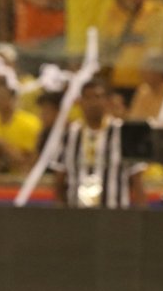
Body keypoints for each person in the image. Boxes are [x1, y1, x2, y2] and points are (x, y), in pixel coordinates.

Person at [51, 79, 146, 209]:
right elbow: (59, 180)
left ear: (107, 101)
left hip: (115, 215)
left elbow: (137, 180)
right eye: (87, 98)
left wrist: (141, 216)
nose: (93, 103)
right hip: (77, 215)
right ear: (80, 102)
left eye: (98, 97)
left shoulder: (124, 133)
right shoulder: (70, 135)